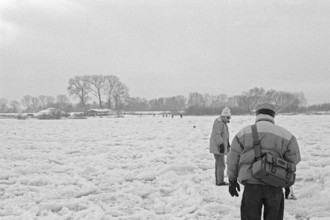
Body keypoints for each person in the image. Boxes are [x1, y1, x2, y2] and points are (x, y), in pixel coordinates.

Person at [226, 102, 301, 220]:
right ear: (273, 115)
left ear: (257, 114)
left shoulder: (243, 133)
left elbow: (232, 158)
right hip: (275, 185)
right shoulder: (286, 135)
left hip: (251, 185)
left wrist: (232, 179)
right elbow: (294, 160)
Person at [209, 107, 231, 186]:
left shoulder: (223, 123)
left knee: (219, 164)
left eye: (230, 117)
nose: (229, 119)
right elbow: (217, 134)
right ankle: (220, 181)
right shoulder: (219, 122)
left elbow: (225, 136)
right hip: (218, 147)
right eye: (228, 117)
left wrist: (227, 144)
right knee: (221, 164)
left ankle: (218, 179)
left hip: (219, 147)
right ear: (224, 116)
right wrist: (221, 144)